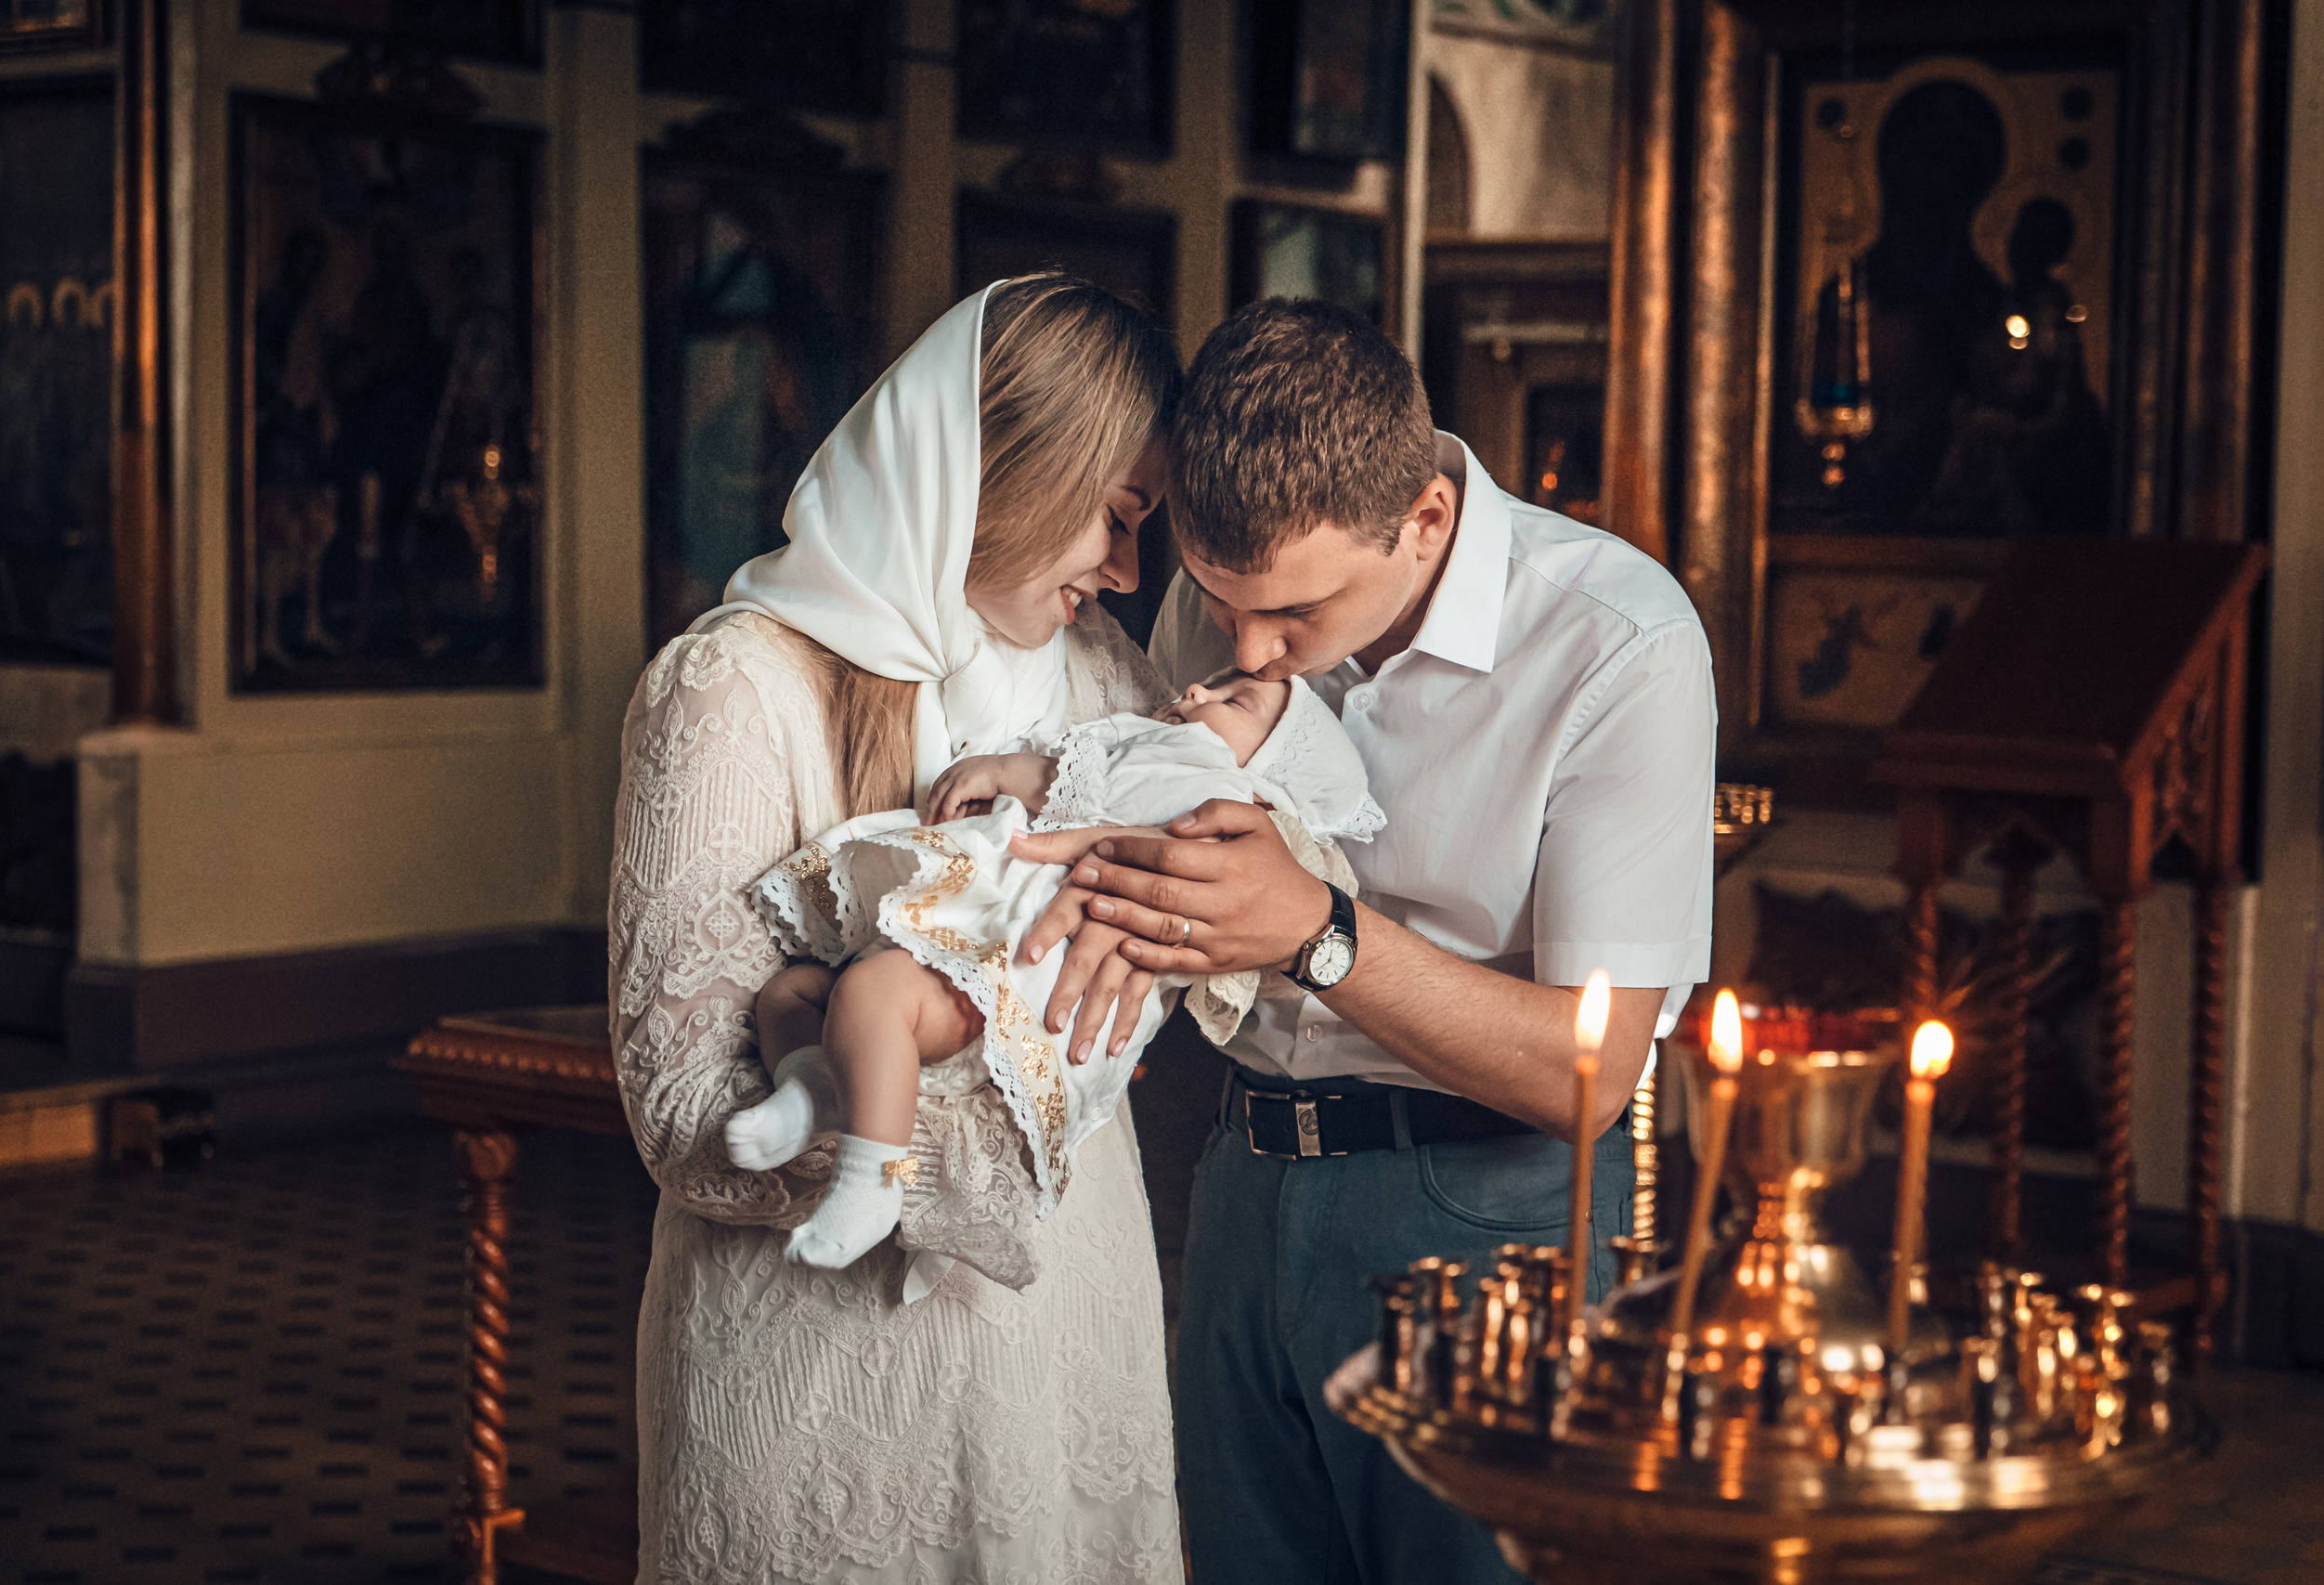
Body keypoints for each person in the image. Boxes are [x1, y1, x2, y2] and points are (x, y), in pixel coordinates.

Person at [1016, 298, 1717, 1582]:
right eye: (1219, 602)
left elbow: (1595, 1072)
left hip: (1493, 1211)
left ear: (1427, 521)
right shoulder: (1224, 607)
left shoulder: (1620, 643)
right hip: (1240, 1176)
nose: (1246, 649)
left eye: (1294, 612)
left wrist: (1315, 931)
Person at [607, 276, 1186, 1584]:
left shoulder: (1107, 683)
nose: (1128, 569)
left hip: (1066, 1340)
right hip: (821, 1376)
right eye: (1116, 516)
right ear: (1013, 468)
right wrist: (965, 1153)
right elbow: (684, 1108)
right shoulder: (735, 685)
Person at [733, 669, 1382, 1268]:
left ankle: (873, 1180)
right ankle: (816, 1087)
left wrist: (1005, 770)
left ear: (1272, 771)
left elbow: (1081, 784)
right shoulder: (1174, 749)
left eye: (1235, 702)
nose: (1198, 690)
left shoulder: (1221, 787)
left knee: (870, 998)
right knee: (791, 995)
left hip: (1015, 964)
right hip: (977, 931)